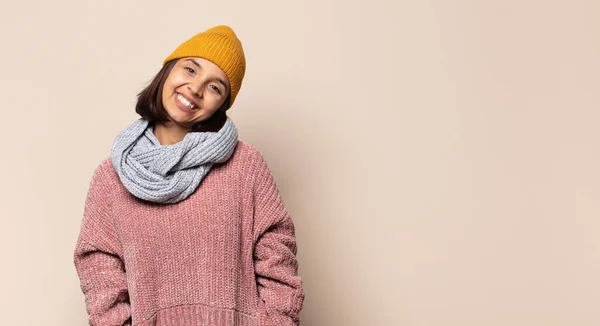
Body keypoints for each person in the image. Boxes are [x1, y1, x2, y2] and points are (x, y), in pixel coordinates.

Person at [73, 25, 305, 326]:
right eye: (190, 69)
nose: (195, 88)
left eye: (215, 87)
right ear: (167, 71)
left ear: (222, 104)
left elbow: (278, 260)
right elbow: (98, 270)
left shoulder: (245, 165)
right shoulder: (111, 177)